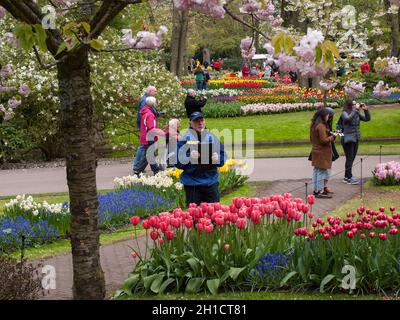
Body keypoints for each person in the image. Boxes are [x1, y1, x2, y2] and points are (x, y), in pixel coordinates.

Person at [176, 112, 226, 206]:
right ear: (190, 123)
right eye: (196, 121)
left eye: (202, 120)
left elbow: (223, 157)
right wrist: (189, 157)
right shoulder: (184, 140)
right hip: (192, 184)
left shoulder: (212, 138)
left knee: (214, 215)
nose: (200, 123)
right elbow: (176, 162)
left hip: (211, 182)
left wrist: (218, 158)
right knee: (194, 217)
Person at [339, 99, 371, 184]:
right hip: (347, 139)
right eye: (353, 104)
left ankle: (346, 177)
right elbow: (348, 119)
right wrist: (356, 109)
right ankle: (349, 178)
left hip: (356, 138)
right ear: (349, 105)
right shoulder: (344, 113)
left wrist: (366, 109)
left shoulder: (356, 113)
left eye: (355, 104)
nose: (355, 105)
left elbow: (367, 119)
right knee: (349, 158)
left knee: (351, 158)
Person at [133, 96, 165, 176]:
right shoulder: (149, 114)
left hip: (146, 136)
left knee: (150, 154)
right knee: (150, 154)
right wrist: (160, 132)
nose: (156, 103)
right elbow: (150, 128)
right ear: (152, 103)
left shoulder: (145, 112)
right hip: (149, 137)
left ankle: (155, 170)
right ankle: (140, 170)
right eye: (155, 102)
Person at [310, 108, 337, 199]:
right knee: (321, 171)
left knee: (316, 171)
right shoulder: (321, 126)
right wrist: (333, 137)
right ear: (323, 116)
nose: (328, 117)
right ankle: (320, 191)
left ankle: (316, 190)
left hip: (316, 151)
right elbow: (323, 140)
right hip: (322, 152)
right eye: (327, 115)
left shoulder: (314, 124)